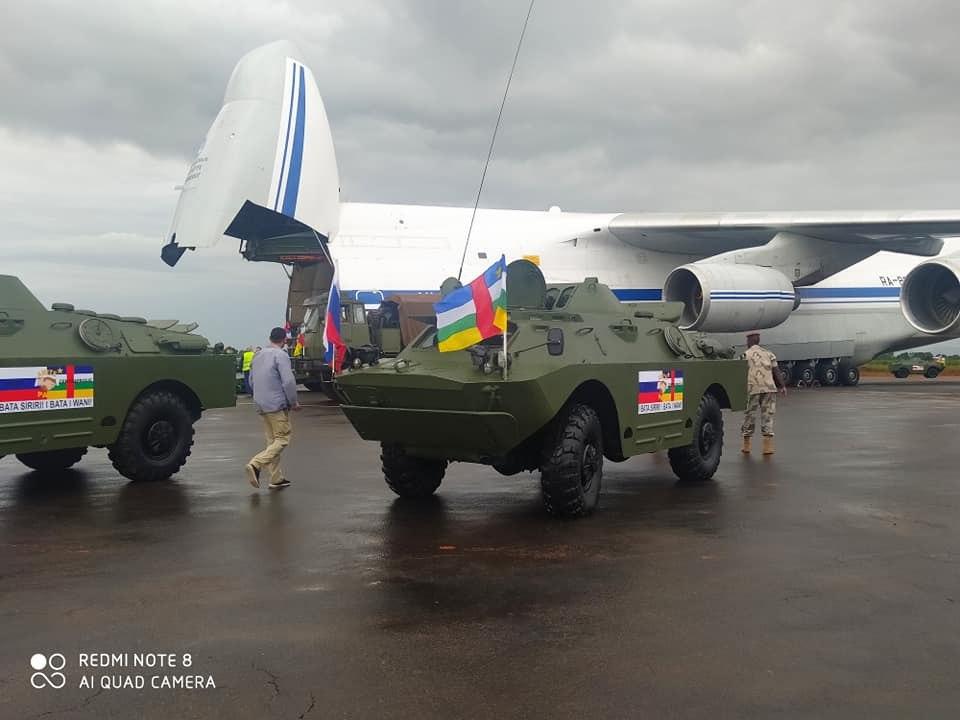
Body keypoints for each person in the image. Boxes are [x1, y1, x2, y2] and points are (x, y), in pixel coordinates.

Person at [245, 328, 301, 490]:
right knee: (283, 439)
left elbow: (252, 380)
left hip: (261, 404)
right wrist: (293, 402)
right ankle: (256, 464)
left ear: (270, 338)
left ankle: (276, 478)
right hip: (276, 405)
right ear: (284, 340)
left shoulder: (257, 355)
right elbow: (288, 381)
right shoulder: (281, 355)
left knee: (272, 442)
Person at [741, 332, 786, 455]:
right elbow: (776, 371)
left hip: (753, 389)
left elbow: (740, 372)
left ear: (749, 341)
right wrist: (782, 386)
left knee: (749, 414)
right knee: (768, 415)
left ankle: (746, 445)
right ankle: (768, 447)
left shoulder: (745, 355)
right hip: (769, 388)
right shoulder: (769, 354)